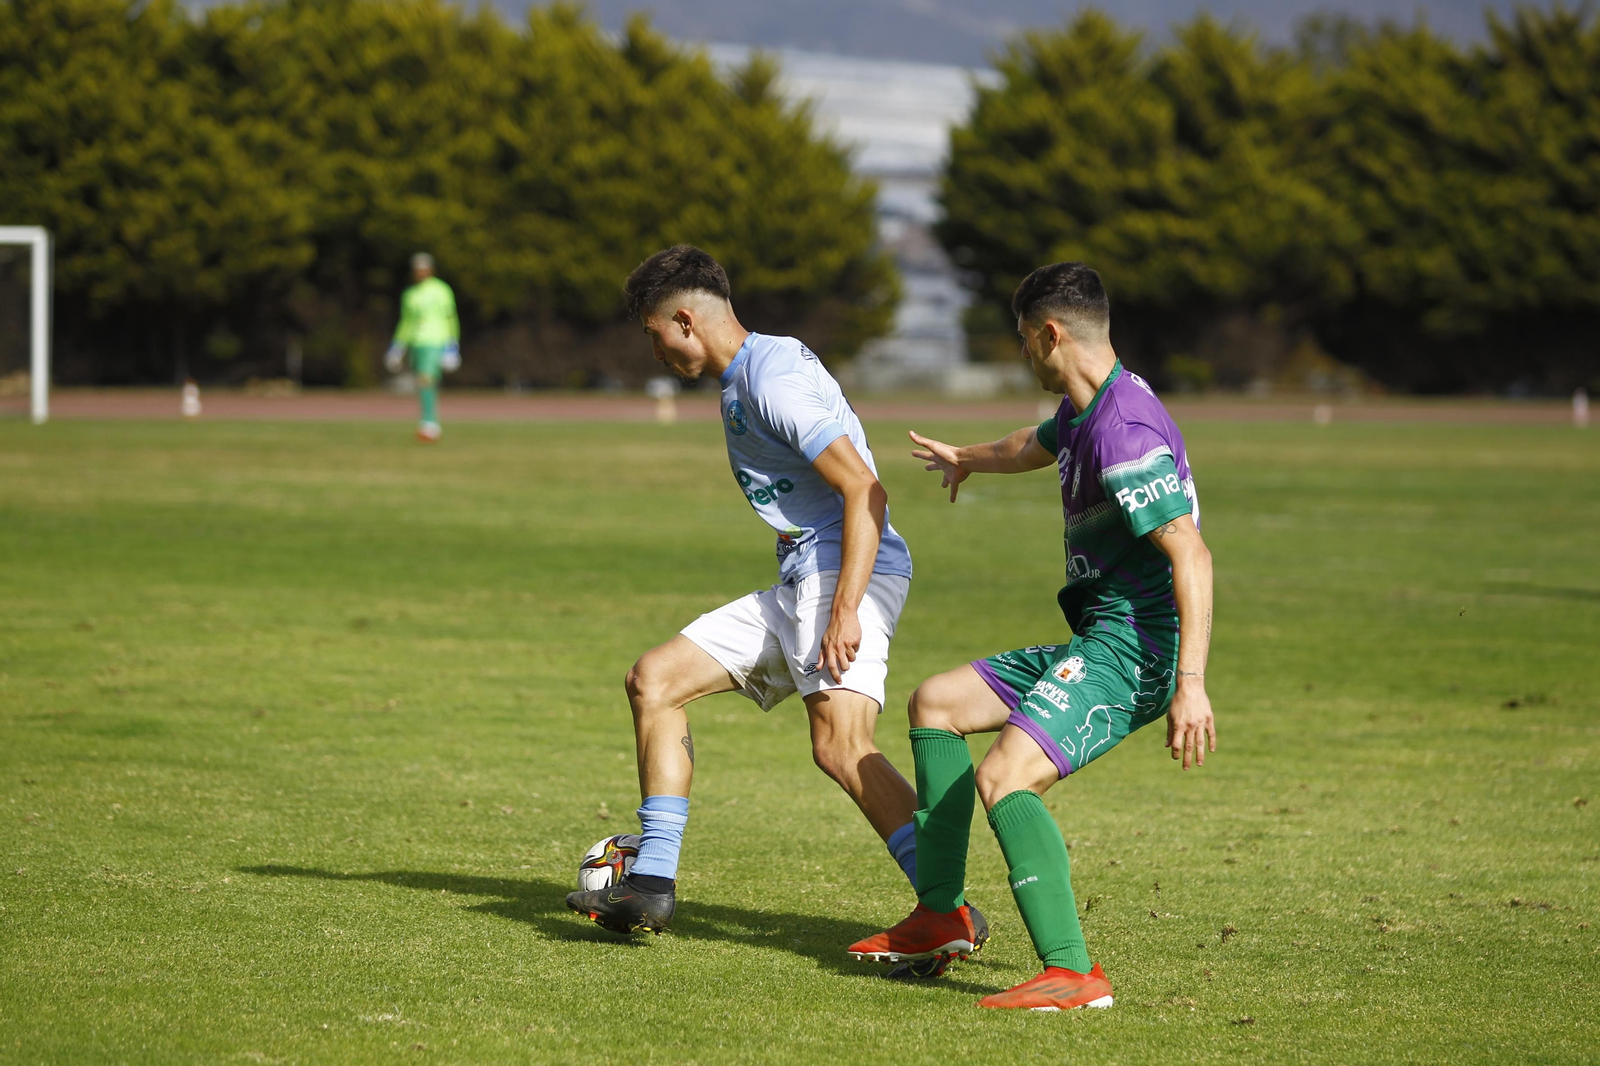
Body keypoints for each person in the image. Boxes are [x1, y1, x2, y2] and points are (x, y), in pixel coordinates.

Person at [566, 246, 986, 958]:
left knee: (842, 744)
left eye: (654, 334)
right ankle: (651, 883)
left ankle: (947, 909)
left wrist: (846, 608)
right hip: (803, 577)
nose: (655, 351)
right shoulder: (746, 375)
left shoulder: (771, 377)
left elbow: (865, 490)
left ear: (685, 320)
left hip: (843, 572)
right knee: (655, 681)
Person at [846, 261, 1216, 1010]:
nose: (1021, 354)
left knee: (1005, 779)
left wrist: (1191, 685)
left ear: (1051, 334)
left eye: (1023, 339)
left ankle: (1073, 973)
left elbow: (1192, 555)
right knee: (936, 702)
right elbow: (1033, 444)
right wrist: (967, 458)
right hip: (1100, 636)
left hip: (1137, 649)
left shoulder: (1123, 430)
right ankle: (941, 916)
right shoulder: (1086, 408)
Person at [384, 253, 460, 442]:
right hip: (416, 343)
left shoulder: (441, 290)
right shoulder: (410, 294)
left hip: (435, 340)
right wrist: (397, 346)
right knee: (422, 382)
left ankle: (429, 423)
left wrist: (452, 345)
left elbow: (450, 318)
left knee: (426, 379)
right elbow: (406, 322)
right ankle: (428, 421)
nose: (421, 272)